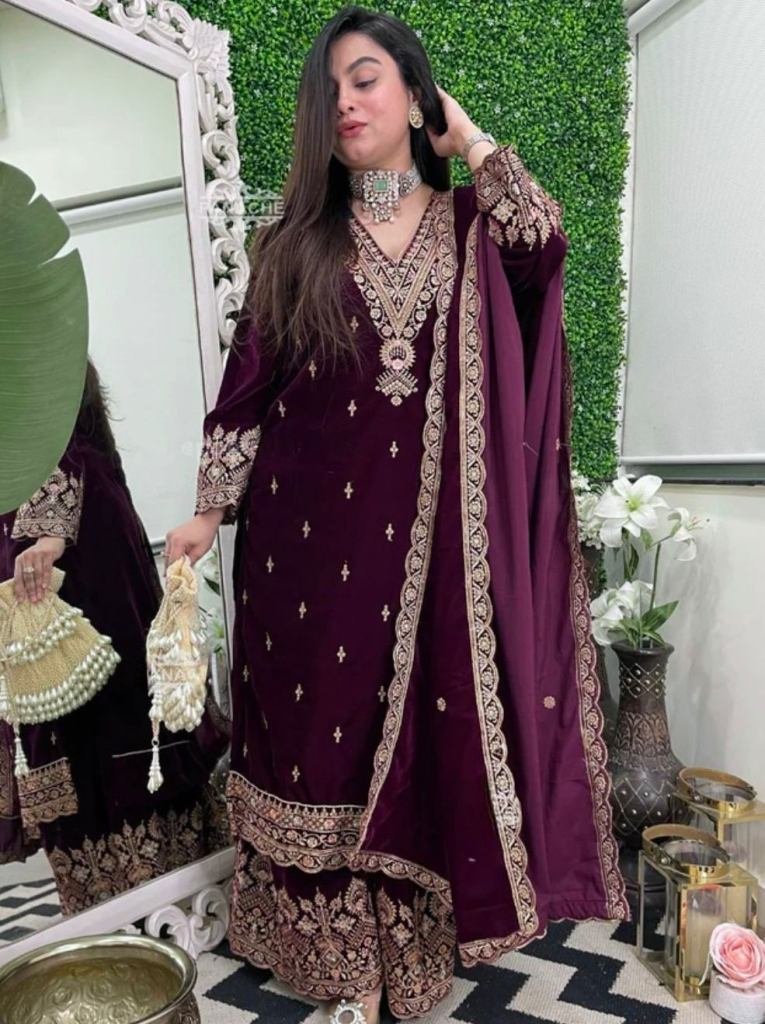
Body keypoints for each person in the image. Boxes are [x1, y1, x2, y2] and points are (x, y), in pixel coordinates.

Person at [165, 6, 629, 1021]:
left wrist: (471, 144)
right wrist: (208, 510)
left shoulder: (471, 225)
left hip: (434, 555)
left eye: (367, 78)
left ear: (416, 94)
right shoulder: (291, 243)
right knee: (315, 740)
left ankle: (406, 953)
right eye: (329, 89)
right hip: (300, 551)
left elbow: (542, 244)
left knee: (415, 731)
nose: (345, 102)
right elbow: (245, 393)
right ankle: (333, 961)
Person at [0, 360, 229, 911]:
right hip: (57, 622)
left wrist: (48, 540)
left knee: (108, 731)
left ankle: (140, 905)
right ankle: (115, 909)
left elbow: (58, 489)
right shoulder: (44, 466)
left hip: (89, 610)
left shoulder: (73, 458)